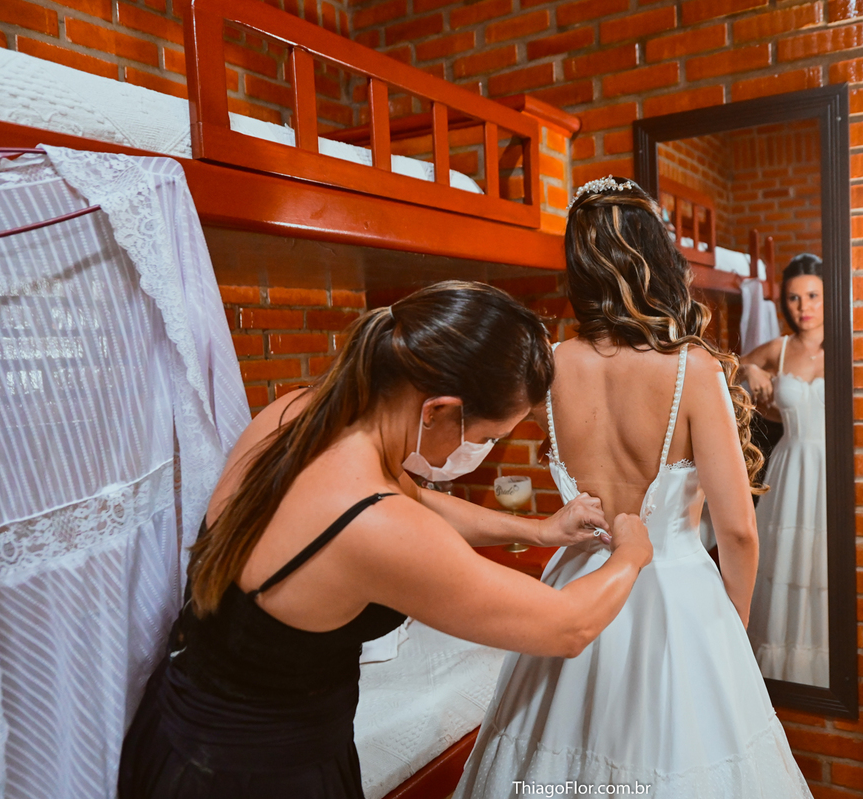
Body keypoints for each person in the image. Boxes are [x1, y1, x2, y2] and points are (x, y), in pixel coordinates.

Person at [118, 281, 654, 799]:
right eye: (486, 437)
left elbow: (414, 497)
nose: (479, 450)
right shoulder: (373, 524)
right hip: (255, 772)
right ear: (437, 409)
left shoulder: (299, 412)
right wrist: (631, 552)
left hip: (175, 725)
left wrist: (536, 529)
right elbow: (568, 626)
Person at [454, 178, 813, 798]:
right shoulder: (692, 369)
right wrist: (730, 626)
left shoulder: (550, 364)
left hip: (576, 585)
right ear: (657, 259)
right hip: (680, 598)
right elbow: (737, 530)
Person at [739, 254, 828, 687]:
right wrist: (752, 368)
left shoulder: (848, 345)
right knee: (786, 562)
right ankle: (778, 677)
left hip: (831, 471)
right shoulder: (780, 347)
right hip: (790, 467)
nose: (803, 306)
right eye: (794, 298)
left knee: (822, 564)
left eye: (813, 295)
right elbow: (726, 367)